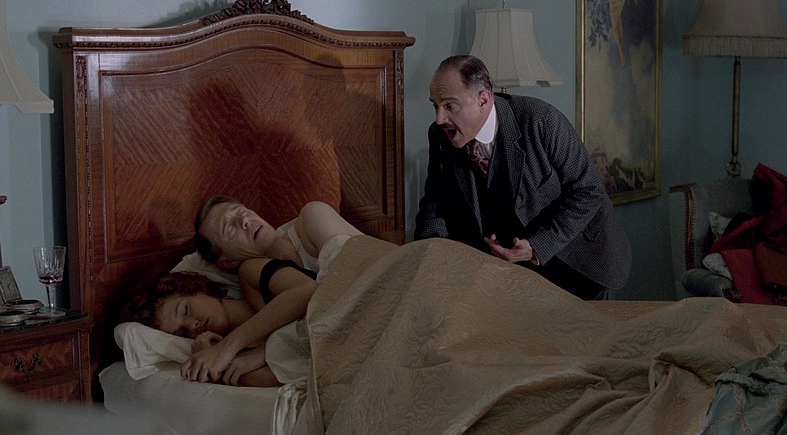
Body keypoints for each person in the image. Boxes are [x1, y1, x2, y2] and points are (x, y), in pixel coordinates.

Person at [415, 55, 631, 300]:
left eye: (450, 106)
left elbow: (589, 190)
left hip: (577, 262)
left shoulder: (541, 120)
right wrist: (429, 259)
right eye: (435, 105)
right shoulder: (440, 136)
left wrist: (537, 246)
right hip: (513, 278)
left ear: (483, 100)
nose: (439, 118)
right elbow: (436, 204)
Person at [121, 259, 317, 386]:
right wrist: (215, 367)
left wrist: (227, 347)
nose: (193, 326)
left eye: (186, 310)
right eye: (182, 333)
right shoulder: (237, 360)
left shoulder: (251, 276)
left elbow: (312, 292)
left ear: (197, 288)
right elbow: (305, 373)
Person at [194, 198, 363, 273]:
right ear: (227, 262)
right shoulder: (257, 285)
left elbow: (353, 275)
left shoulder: (312, 217)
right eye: (229, 228)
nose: (244, 220)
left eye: (242, 211)